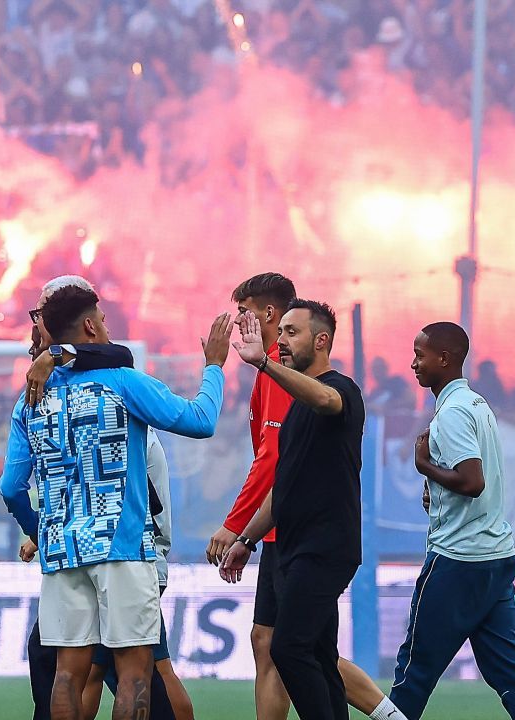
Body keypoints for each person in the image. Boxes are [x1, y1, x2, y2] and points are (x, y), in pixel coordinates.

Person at [0, 283, 231, 720]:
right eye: (102, 320)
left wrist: (40, 530)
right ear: (90, 324)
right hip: (122, 547)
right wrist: (214, 367)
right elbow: (200, 421)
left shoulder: (31, 398)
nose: (106, 328)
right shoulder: (123, 383)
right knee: (135, 673)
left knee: (67, 674)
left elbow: (11, 487)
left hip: (62, 551)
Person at [205, 274, 398, 720]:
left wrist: (267, 366)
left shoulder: (340, 389)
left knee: (288, 649)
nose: (284, 341)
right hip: (290, 545)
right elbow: (282, 487)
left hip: (325, 547)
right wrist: (246, 540)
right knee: (315, 652)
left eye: (293, 332)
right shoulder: (293, 411)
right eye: (284, 331)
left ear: (322, 340)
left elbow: (328, 401)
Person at [387, 322, 515, 720]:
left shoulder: (453, 412)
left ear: (445, 358)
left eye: (420, 356)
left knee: (415, 671)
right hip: (494, 556)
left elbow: (472, 481)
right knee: (510, 673)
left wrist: (424, 466)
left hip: (457, 559)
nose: (413, 364)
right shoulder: (476, 404)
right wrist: (437, 488)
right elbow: (472, 477)